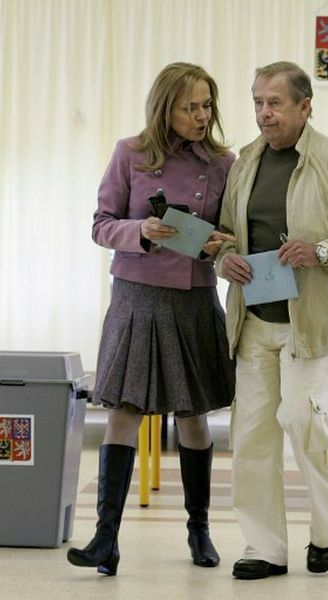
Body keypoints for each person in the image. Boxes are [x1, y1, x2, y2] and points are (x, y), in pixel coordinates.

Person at [216, 61, 328, 580]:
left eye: (275, 103)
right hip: (252, 322)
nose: (264, 113)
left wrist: (323, 252)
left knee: (300, 419)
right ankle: (263, 546)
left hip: (307, 323)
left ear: (304, 106)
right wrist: (224, 259)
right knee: (251, 436)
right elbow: (223, 236)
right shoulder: (245, 162)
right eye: (258, 103)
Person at [67, 62, 235, 576]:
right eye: (189, 107)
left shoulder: (224, 163)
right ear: (165, 109)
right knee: (124, 410)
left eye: (206, 105)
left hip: (192, 298)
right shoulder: (130, 153)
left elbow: (233, 235)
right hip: (137, 297)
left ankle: (199, 529)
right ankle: (106, 538)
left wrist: (219, 243)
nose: (201, 116)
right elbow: (101, 225)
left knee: (193, 415)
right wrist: (140, 230)